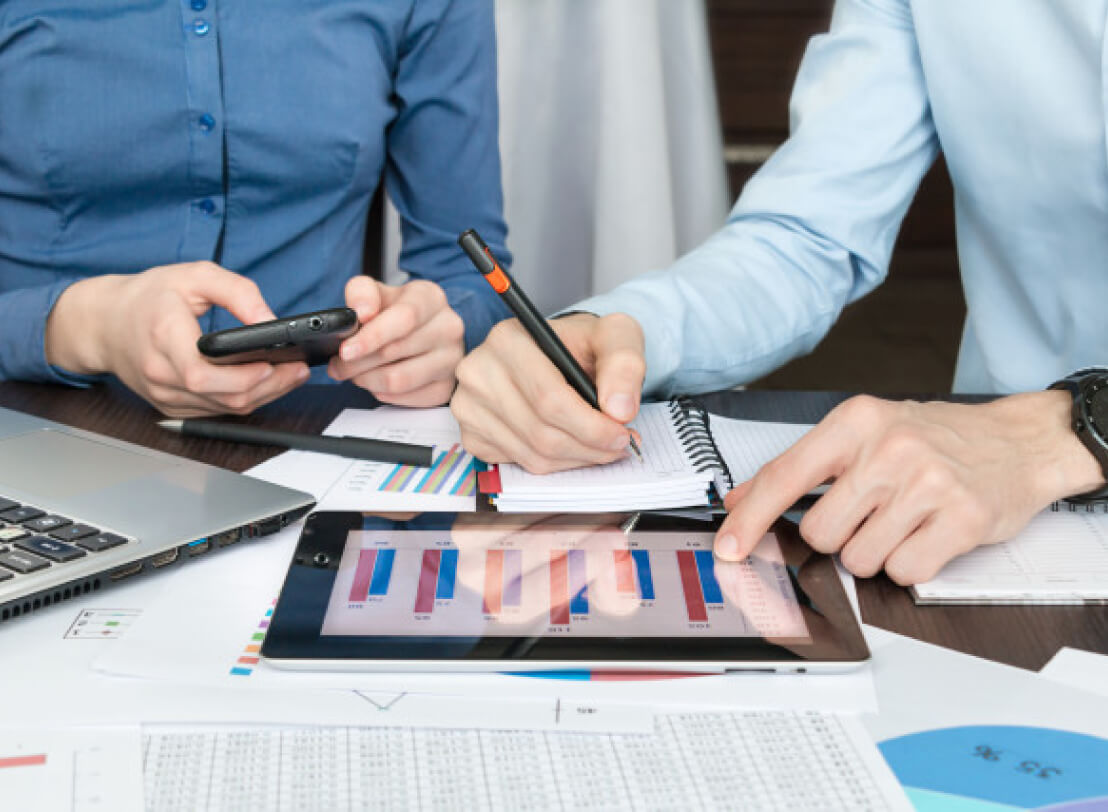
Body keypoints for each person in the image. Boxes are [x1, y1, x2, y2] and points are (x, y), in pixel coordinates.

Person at [450, 1, 1108, 585]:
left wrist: (1066, 431)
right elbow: (808, 233)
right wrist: (621, 330)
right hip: (972, 519)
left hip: (993, 462)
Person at [0, 0, 509, 416]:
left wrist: (444, 330)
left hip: (316, 438)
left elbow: (477, 276)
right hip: (38, 425)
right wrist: (90, 327)